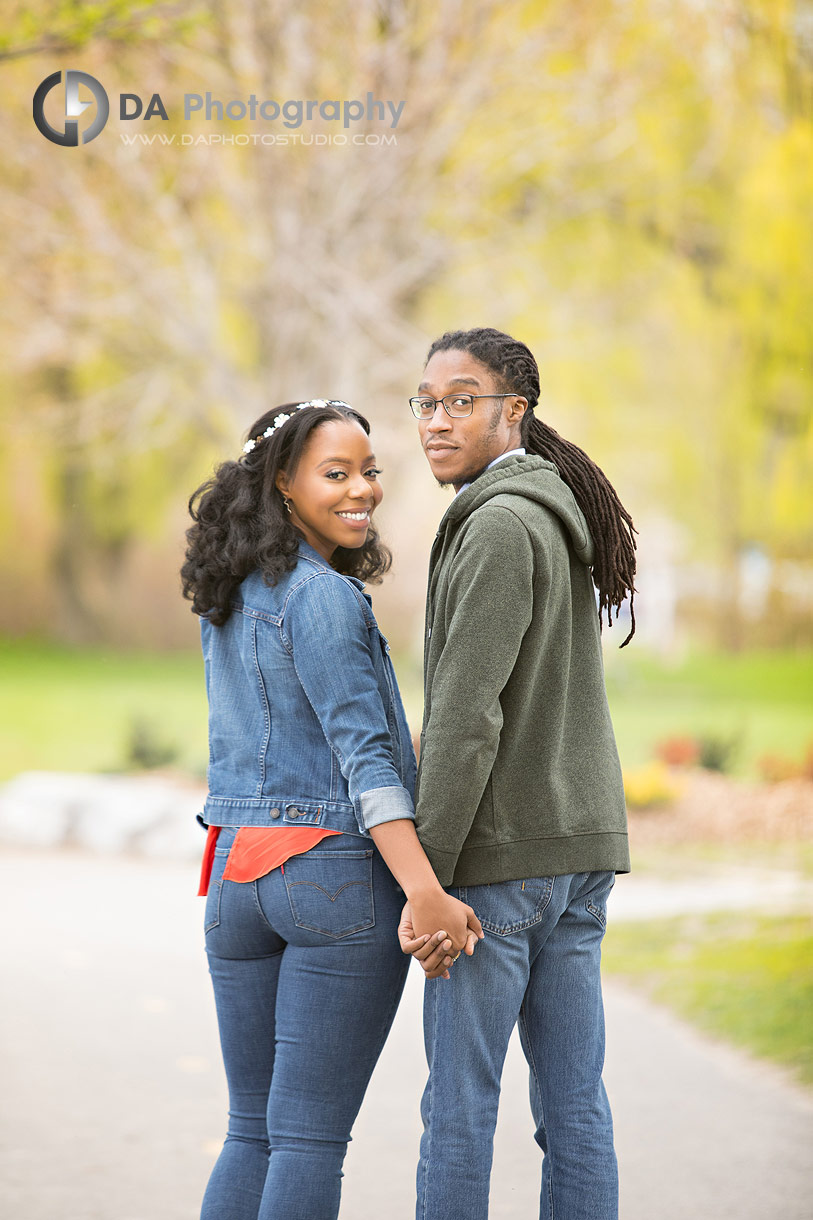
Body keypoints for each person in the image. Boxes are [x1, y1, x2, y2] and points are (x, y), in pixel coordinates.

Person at [180, 398, 482, 1220]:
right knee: (307, 1139)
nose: (364, 490)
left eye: (369, 470)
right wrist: (424, 890)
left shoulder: (230, 593)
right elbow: (368, 764)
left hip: (237, 879)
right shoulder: (321, 599)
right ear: (281, 484)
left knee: (251, 1132)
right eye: (336, 474)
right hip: (331, 881)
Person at [402, 328, 637, 1220]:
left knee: (459, 1111)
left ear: (514, 412)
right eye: (425, 402)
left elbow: (466, 717)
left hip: (501, 864)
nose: (435, 420)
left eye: (461, 399)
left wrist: (425, 874)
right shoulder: (544, 512)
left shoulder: (499, 524)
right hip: (575, 853)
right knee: (574, 1105)